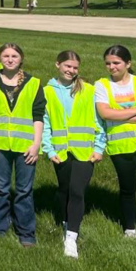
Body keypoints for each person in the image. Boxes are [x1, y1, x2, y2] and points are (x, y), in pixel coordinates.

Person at [0, 42, 45, 246]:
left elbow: (38, 116)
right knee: (1, 188)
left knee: (24, 190)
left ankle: (26, 232)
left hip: (26, 146)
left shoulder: (34, 83)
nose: (10, 59)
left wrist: (36, 144)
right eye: (6, 56)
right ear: (0, 59)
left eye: (14, 56)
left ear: (21, 59)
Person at [43, 50, 106, 258]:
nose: (71, 70)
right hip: (60, 151)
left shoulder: (88, 90)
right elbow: (45, 123)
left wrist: (99, 147)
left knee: (77, 191)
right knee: (64, 190)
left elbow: (99, 121)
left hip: (84, 151)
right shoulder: (47, 92)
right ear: (57, 65)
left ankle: (71, 237)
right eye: (67, 66)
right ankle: (65, 219)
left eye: (75, 67)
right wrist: (49, 149)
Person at [94, 44, 136, 237]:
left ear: (128, 63)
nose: (112, 67)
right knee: (127, 187)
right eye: (108, 63)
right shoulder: (102, 85)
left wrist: (121, 115)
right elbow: (105, 113)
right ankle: (130, 228)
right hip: (121, 145)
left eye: (116, 63)